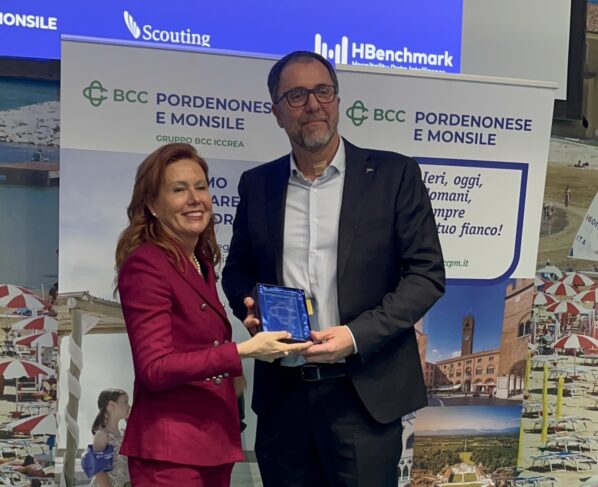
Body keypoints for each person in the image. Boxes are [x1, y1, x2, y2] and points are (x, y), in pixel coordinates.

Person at [222, 51, 445, 486]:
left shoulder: (394, 175)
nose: (313, 104)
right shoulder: (258, 184)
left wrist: (355, 335)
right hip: (283, 398)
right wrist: (251, 309)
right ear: (276, 112)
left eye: (323, 91)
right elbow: (237, 271)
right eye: (296, 95)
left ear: (338, 101)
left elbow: (426, 276)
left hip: (364, 395)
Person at [115, 143, 310, 486]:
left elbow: (200, 341)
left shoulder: (200, 262)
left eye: (201, 187)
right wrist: (242, 351)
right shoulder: (146, 264)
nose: (195, 199)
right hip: (171, 452)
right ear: (153, 205)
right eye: (179, 189)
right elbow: (154, 369)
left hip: (212, 443)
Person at [89, 389, 131, 487]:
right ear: (112, 405)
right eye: (125, 402)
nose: (129, 406)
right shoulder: (102, 435)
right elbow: (98, 469)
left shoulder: (122, 435)